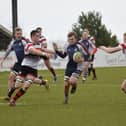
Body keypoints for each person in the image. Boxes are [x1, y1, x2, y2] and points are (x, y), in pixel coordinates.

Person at [9, 30, 53, 106]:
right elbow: (34, 51)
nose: (38, 38)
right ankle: (43, 82)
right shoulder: (28, 44)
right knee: (17, 85)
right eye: (37, 36)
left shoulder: (40, 45)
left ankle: (13, 100)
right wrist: (44, 54)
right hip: (25, 67)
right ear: (32, 37)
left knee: (26, 86)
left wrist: (55, 52)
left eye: (39, 36)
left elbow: (45, 50)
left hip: (33, 69)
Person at [53, 32, 86, 104]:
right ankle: (66, 98)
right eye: (69, 40)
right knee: (66, 85)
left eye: (72, 39)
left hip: (78, 67)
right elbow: (63, 55)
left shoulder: (80, 46)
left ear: (75, 39)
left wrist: (82, 59)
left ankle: (74, 86)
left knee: (71, 81)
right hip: (69, 67)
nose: (70, 41)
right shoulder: (66, 46)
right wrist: (56, 50)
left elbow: (87, 55)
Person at [0, 27, 27, 100]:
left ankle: (40, 80)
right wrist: (2, 60)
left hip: (24, 64)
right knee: (10, 78)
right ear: (15, 34)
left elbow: (30, 50)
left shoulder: (24, 42)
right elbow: (8, 51)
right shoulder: (13, 42)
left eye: (20, 34)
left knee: (19, 85)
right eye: (18, 34)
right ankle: (9, 95)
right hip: (17, 64)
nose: (19, 35)